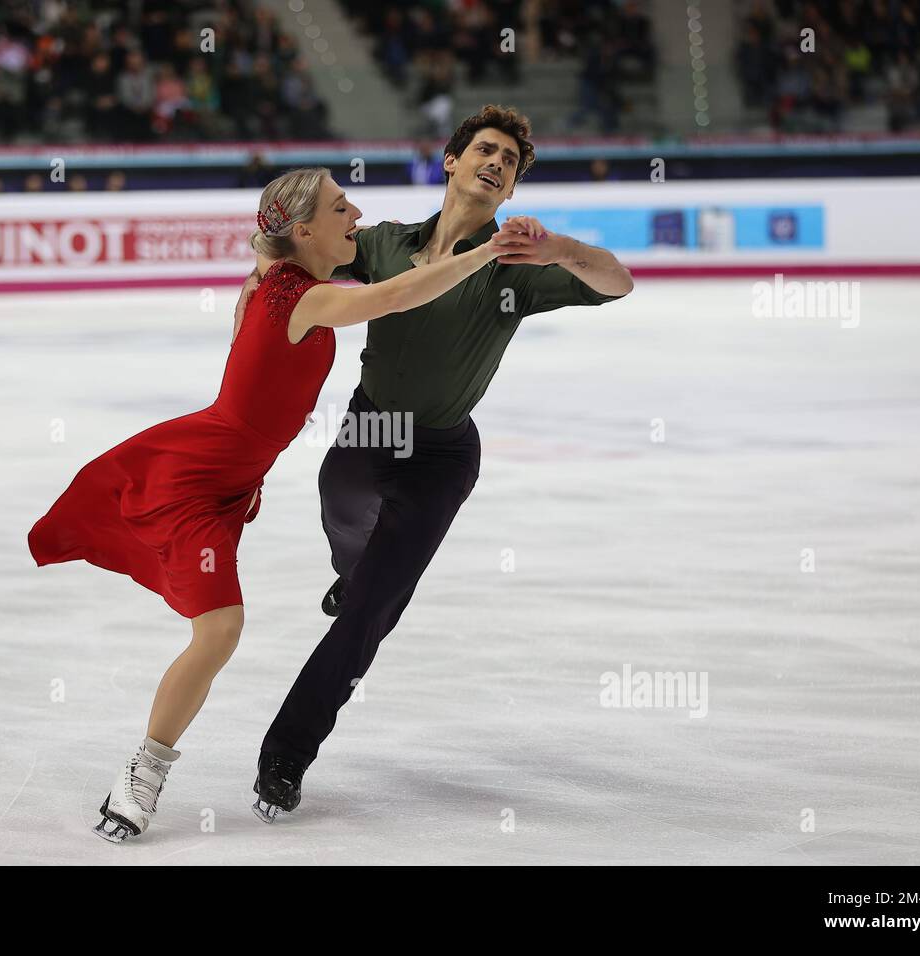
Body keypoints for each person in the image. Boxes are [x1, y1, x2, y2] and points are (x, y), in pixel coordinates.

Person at [27, 166, 513, 842]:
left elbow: (270, 246)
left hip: (229, 481)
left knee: (216, 627)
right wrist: (485, 252)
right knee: (220, 629)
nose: (358, 214)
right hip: (196, 479)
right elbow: (398, 295)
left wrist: (268, 246)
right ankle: (143, 772)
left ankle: (148, 766)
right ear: (306, 229)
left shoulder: (277, 278)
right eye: (342, 207)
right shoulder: (301, 298)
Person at [239, 106, 634, 822]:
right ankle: (348, 575)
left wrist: (561, 250)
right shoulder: (385, 244)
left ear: (510, 191)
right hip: (368, 430)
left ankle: (286, 753)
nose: (497, 163)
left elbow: (617, 283)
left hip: (442, 456)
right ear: (451, 161)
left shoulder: (516, 268)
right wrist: (261, 269)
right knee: (343, 529)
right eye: (486, 149)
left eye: (510, 162)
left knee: (367, 617)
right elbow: (303, 252)